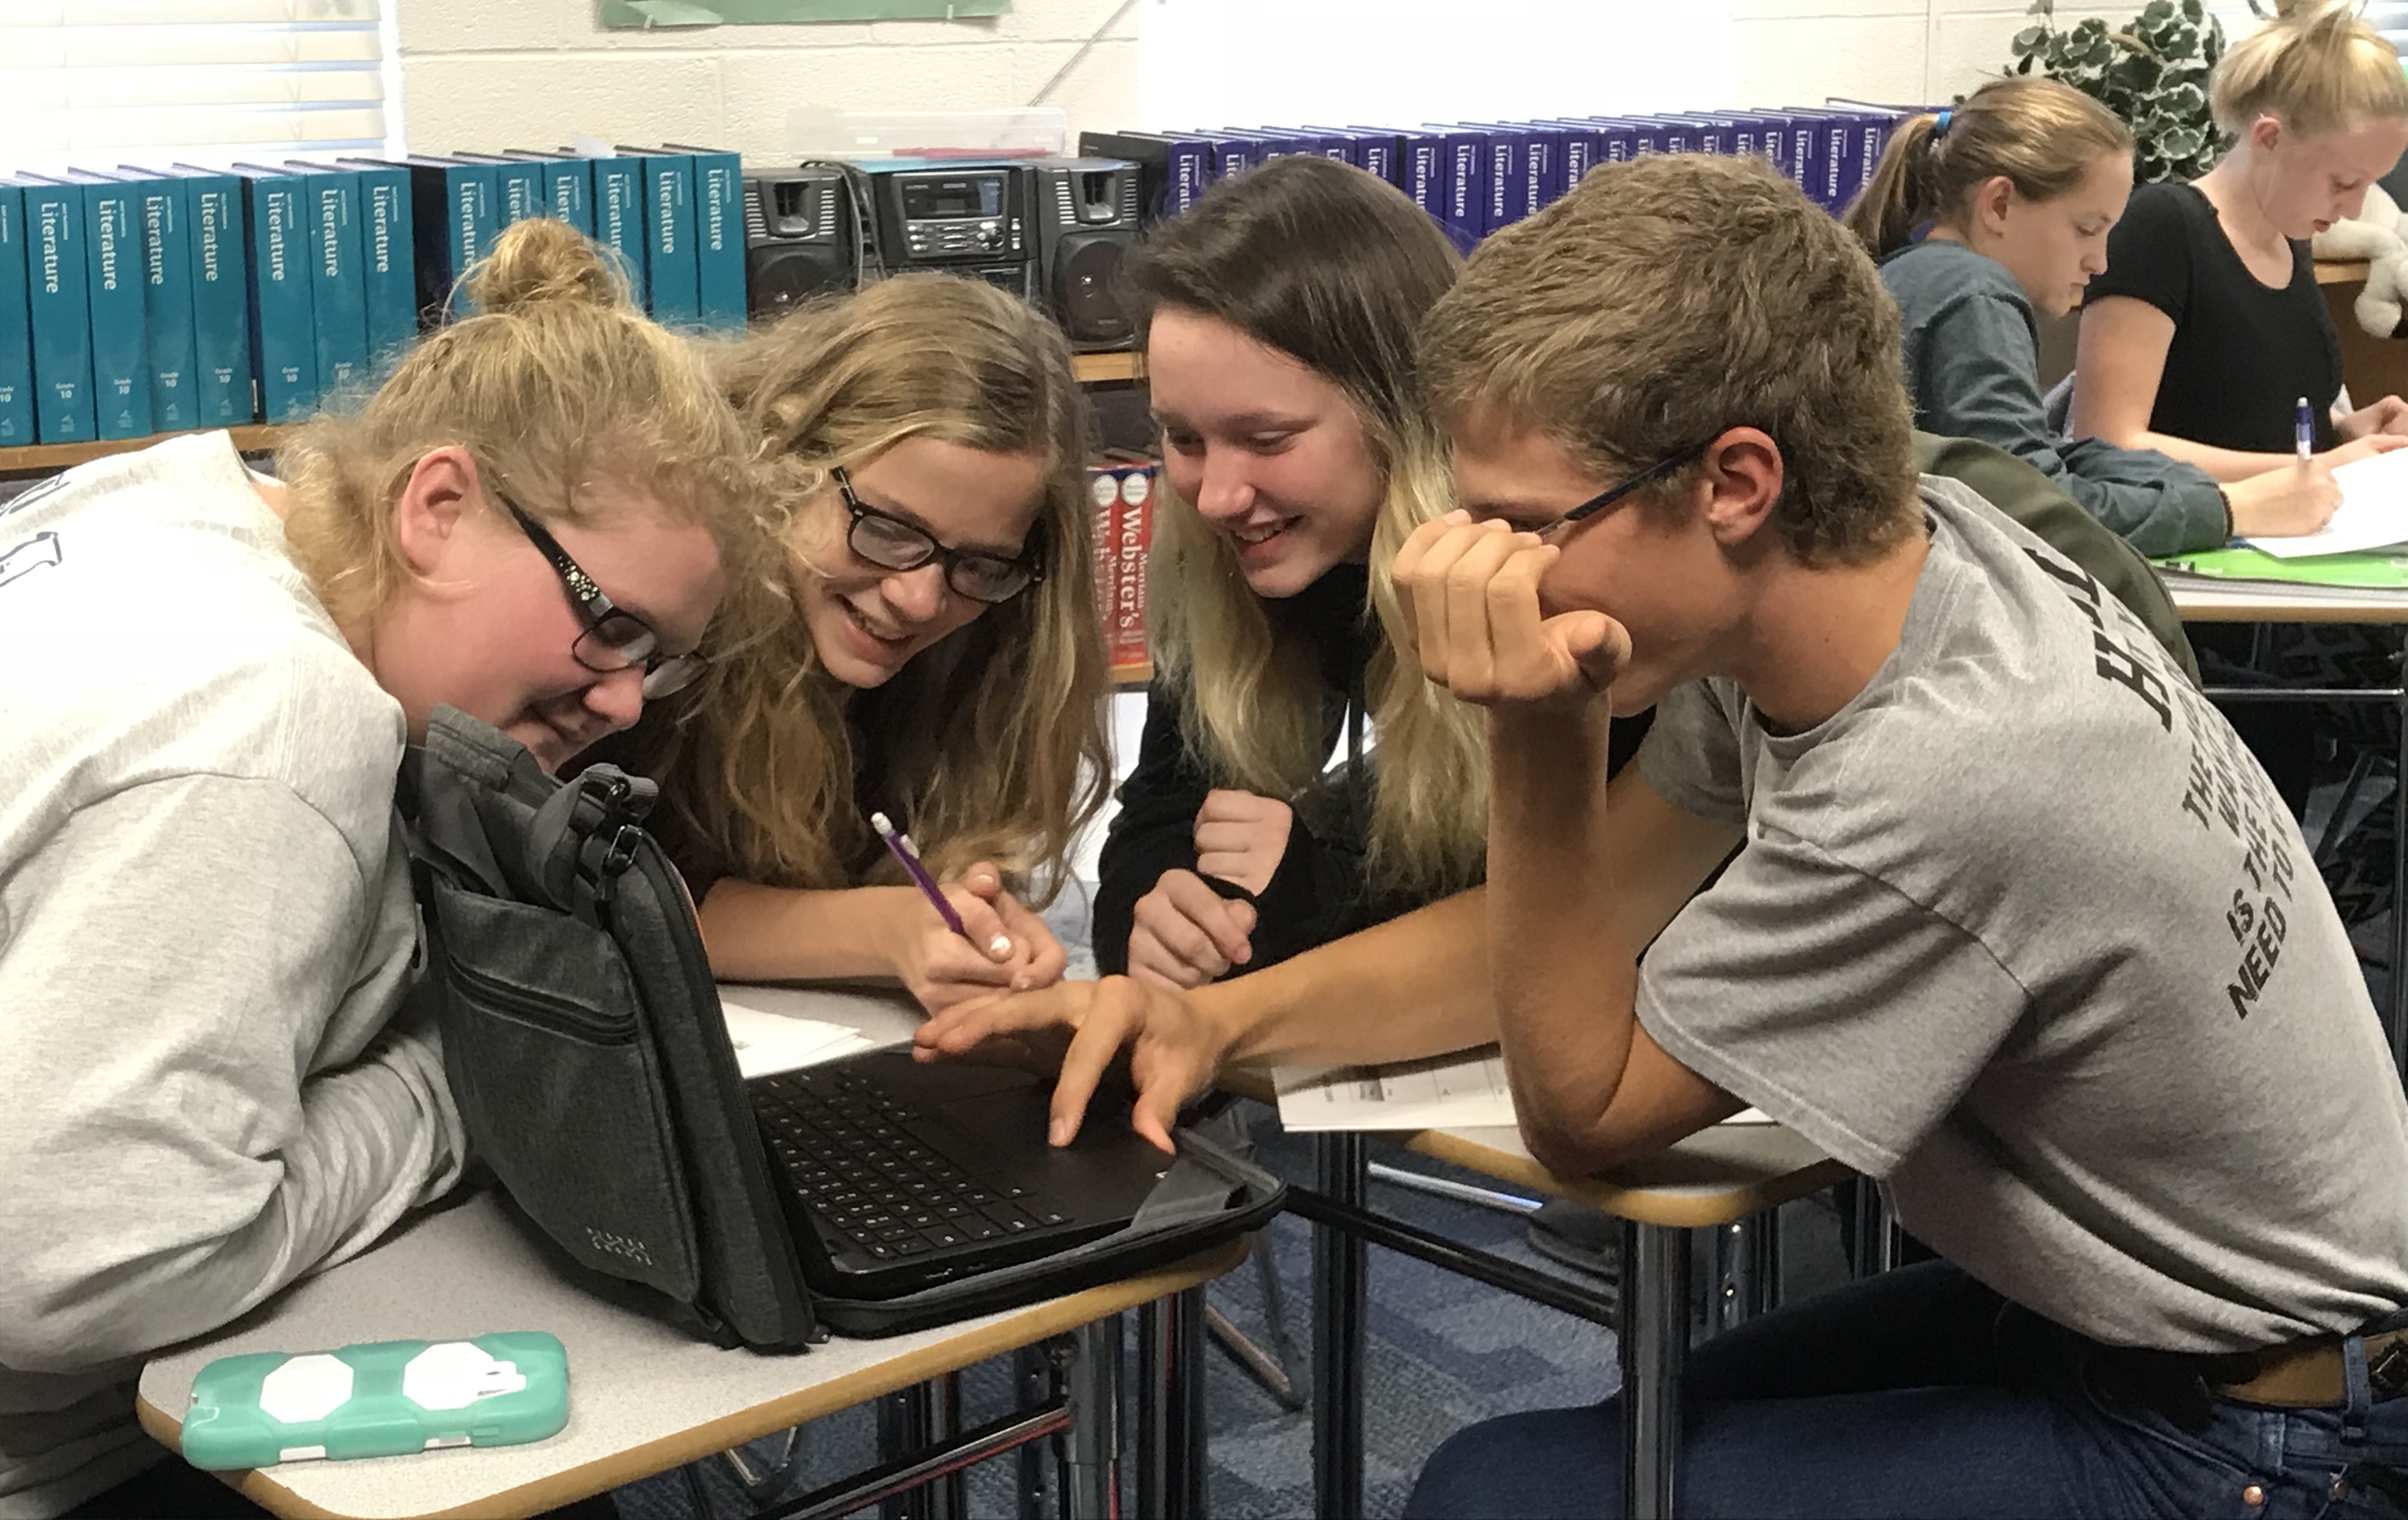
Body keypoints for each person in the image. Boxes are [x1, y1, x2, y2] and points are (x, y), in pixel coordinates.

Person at [919, 152, 2408, 1518]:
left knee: (1497, 1498)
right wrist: (1212, 1022)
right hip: (2147, 1317)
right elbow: (1597, 910)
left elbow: (1585, 1111)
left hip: (2275, 1428)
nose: (1475, 567)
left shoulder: (1943, 776)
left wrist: (1536, 728)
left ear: (1737, 484)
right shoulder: (1897, 569)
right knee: (1627, 1433)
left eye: (1519, 522)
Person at [0, 217, 757, 1519]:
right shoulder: (274, 726)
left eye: (660, 660)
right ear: (437, 506)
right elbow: (84, 1271)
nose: (627, 702)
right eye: (611, 624)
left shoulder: (165, 503)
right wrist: (463, 1080)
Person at [574, 268, 1111, 1015]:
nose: (920, 600)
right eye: (888, 530)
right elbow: (595, 882)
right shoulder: (660, 594)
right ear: (781, 451)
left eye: (982, 565)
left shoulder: (991, 640)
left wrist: (960, 925)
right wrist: (883, 931)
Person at [1091, 153, 1493, 990]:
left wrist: (1319, 891)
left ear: (1403, 412)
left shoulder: (1526, 575)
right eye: (1184, 439)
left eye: (1266, 440)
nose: (1217, 498)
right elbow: (1162, 812)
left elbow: (1572, 911)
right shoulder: (1223, 561)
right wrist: (1154, 913)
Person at [1850, 74, 2347, 555]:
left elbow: (2039, 461)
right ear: (1999, 205)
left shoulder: (1918, 274)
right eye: (2088, 229)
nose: (2101, 262)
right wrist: (2230, 510)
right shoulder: (1976, 297)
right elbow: (2029, 512)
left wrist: (2194, 484)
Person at [2075, 0, 2408, 476]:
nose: (2351, 210)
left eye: (2366, 186)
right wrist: (2318, 468)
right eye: (2342, 183)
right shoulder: (2163, 229)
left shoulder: (2290, 239)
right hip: (2189, 525)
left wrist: (2346, 430)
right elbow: (2109, 443)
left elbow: (2258, 421)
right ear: (2269, 139)